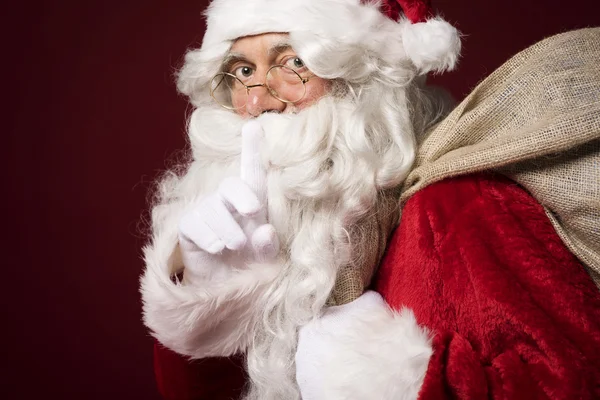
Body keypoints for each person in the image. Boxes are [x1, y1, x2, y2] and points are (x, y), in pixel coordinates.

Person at [141, 0, 600, 399]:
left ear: (358, 79)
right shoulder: (276, 225)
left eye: (294, 62)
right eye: (244, 71)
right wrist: (210, 298)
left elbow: (575, 381)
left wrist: (387, 384)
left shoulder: (456, 206)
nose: (259, 100)